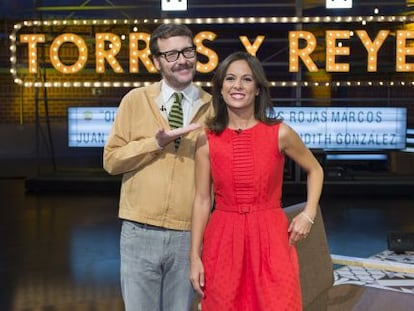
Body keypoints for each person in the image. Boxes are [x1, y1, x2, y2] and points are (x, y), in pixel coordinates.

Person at [189, 51, 324, 310]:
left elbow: (315, 170)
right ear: (220, 88)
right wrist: (194, 256)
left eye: (246, 79)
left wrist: (308, 213)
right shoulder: (206, 139)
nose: (237, 85)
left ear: (258, 89)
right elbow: (202, 200)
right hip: (223, 239)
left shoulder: (280, 133)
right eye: (230, 78)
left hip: (271, 236)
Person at [103, 23, 212, 311]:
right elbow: (111, 161)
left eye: (187, 51)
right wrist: (155, 143)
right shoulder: (135, 101)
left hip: (189, 235)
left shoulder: (214, 108)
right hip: (139, 232)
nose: (182, 60)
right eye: (172, 54)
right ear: (157, 62)